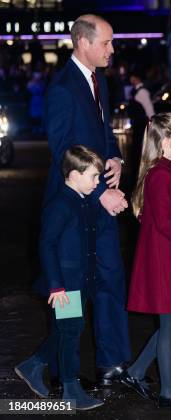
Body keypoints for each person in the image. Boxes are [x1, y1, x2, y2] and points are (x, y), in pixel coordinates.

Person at [44, 14, 131, 387]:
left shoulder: (99, 82)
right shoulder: (63, 87)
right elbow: (63, 153)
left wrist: (115, 159)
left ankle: (112, 365)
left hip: (101, 200)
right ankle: (61, 372)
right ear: (84, 42)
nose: (112, 49)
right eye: (107, 43)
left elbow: (102, 133)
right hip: (74, 209)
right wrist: (101, 193)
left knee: (111, 279)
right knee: (73, 293)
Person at [121, 113, 171, 410]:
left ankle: (136, 371)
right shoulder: (161, 174)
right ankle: (168, 391)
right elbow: (165, 224)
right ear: (166, 142)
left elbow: (165, 218)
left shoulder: (164, 171)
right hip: (164, 259)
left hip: (168, 255)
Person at [15, 145, 105, 410]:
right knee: (70, 334)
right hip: (65, 285)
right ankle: (70, 388)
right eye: (94, 177)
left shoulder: (82, 200)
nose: (97, 182)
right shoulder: (60, 204)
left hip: (81, 280)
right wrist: (56, 286)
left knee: (68, 330)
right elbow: (47, 245)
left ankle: (32, 366)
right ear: (74, 175)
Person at [127, 71, 155, 181]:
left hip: (142, 126)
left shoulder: (142, 92)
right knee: (137, 150)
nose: (131, 79)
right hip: (138, 125)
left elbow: (150, 111)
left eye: (133, 77)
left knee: (140, 150)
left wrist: (151, 127)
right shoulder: (135, 91)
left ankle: (141, 175)